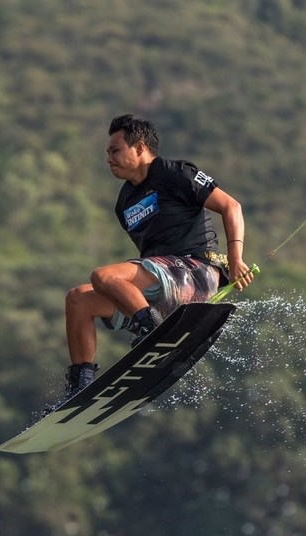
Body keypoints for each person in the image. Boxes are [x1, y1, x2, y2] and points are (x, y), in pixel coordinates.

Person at [62, 114, 254, 400]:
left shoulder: (173, 172)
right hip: (160, 286)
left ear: (139, 148)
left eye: (115, 150)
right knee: (77, 299)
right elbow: (148, 261)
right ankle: (80, 387)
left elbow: (231, 206)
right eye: (107, 153)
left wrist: (236, 258)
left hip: (195, 269)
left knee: (104, 276)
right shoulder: (124, 202)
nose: (109, 159)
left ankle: (154, 334)